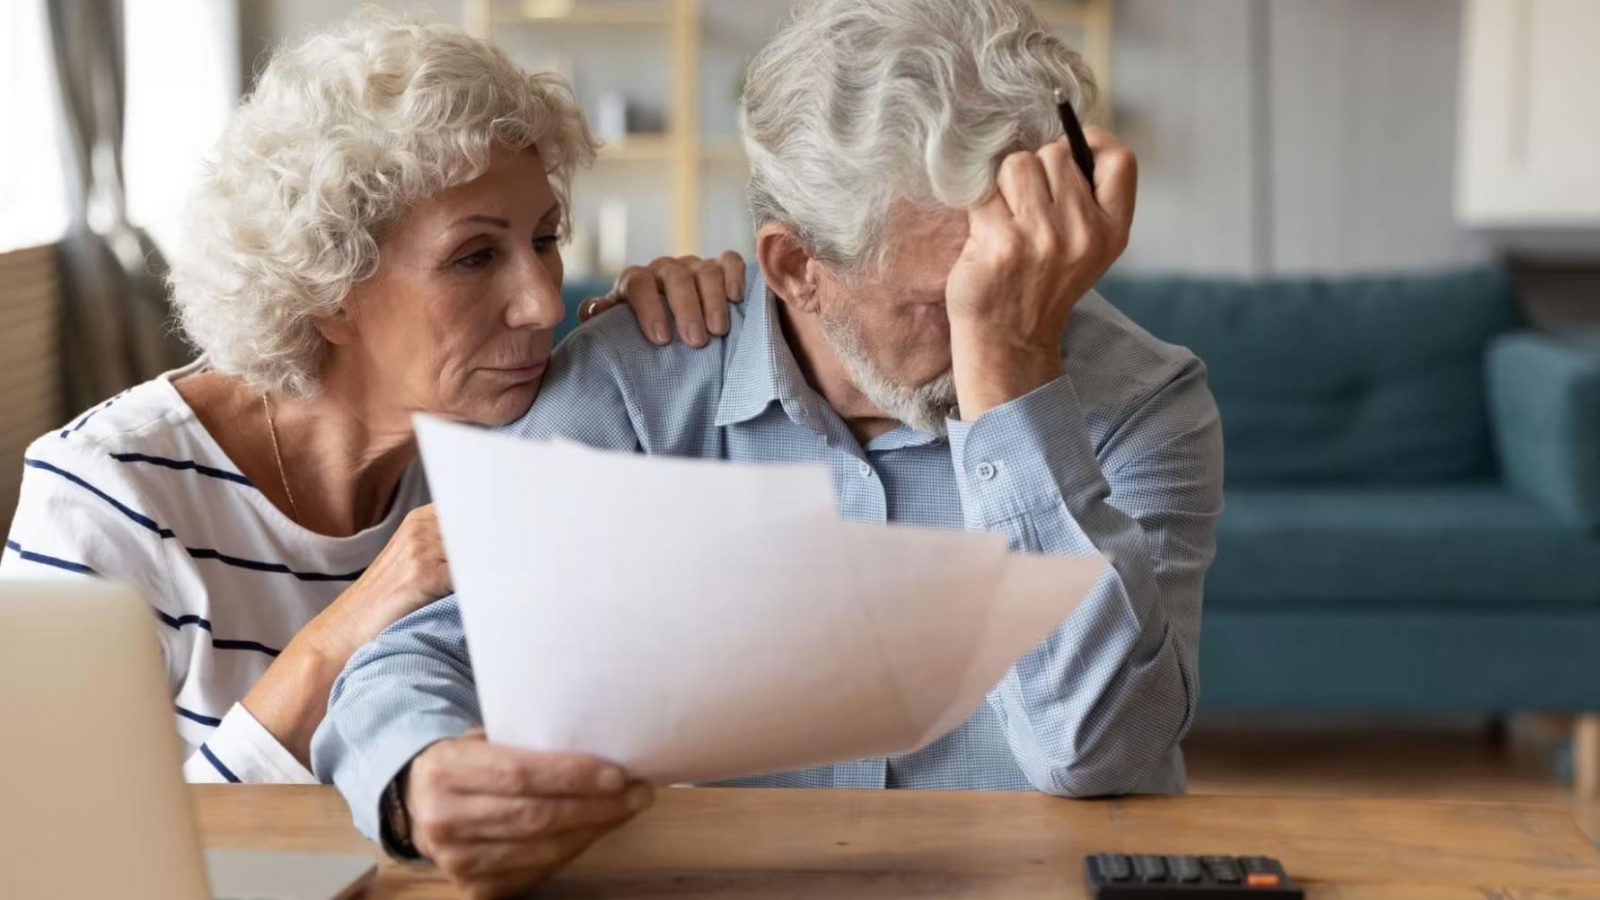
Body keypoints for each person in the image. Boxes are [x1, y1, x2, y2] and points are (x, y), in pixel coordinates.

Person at [314, 0, 1224, 893]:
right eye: (944, 297)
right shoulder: (634, 388)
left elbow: (1099, 755)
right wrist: (422, 776)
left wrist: (1015, 377)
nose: (993, 313)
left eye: (1017, 275)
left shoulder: (1145, 401)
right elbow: (416, 659)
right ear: (795, 268)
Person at [0, 13, 744, 786]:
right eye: (475, 256)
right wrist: (351, 625)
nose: (542, 305)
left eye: (545, 240)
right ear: (328, 291)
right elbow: (57, 850)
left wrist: (697, 339)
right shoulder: (105, 495)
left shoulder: (507, 437)